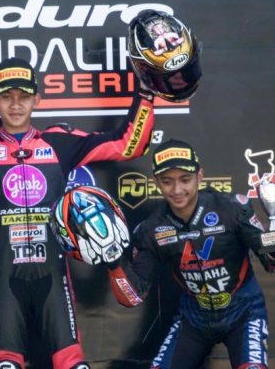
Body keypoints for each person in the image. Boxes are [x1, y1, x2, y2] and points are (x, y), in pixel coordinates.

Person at [0, 55, 155, 369]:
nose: (16, 104)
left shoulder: (60, 142)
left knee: (73, 363)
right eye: (7, 96)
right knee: (4, 364)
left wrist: (146, 91)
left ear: (37, 99)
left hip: (54, 278)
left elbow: (129, 145)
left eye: (24, 96)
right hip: (4, 280)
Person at [107, 138, 274, 369]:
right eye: (167, 181)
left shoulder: (231, 208)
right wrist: (112, 258)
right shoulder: (152, 229)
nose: (177, 190)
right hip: (193, 317)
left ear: (199, 176)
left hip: (244, 311)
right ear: (156, 182)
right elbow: (133, 296)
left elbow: (270, 261)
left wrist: (273, 230)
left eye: (185, 179)